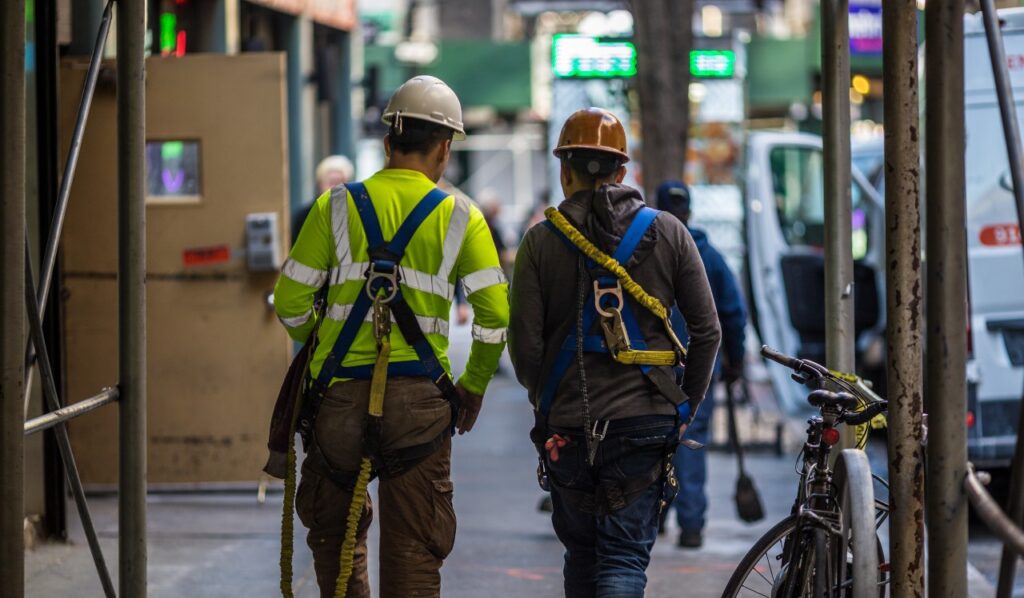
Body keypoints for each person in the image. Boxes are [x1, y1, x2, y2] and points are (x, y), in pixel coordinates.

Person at [273, 75, 509, 598]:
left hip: (336, 399)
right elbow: (494, 319)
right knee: (413, 551)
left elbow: (289, 303)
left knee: (337, 542)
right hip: (420, 407)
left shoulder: (334, 206)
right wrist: (471, 387)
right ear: (445, 149)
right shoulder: (462, 217)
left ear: (387, 143)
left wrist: (324, 345)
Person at [508, 108, 721, 597]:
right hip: (645, 424)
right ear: (623, 172)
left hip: (569, 426)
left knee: (582, 555)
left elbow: (525, 344)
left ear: (565, 170)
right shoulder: (669, 232)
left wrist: (547, 398)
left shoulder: (540, 243)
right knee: (623, 558)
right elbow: (707, 331)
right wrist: (684, 406)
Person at [655, 180, 747, 549]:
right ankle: (691, 526)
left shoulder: (647, 251)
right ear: (689, 212)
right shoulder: (710, 256)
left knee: (653, 438)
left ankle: (656, 514)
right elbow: (733, 314)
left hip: (652, 368)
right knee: (691, 439)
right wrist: (735, 362)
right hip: (698, 367)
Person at [292, 155, 355, 245]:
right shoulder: (304, 216)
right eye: (332, 183)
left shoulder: (357, 214)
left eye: (341, 182)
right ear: (320, 184)